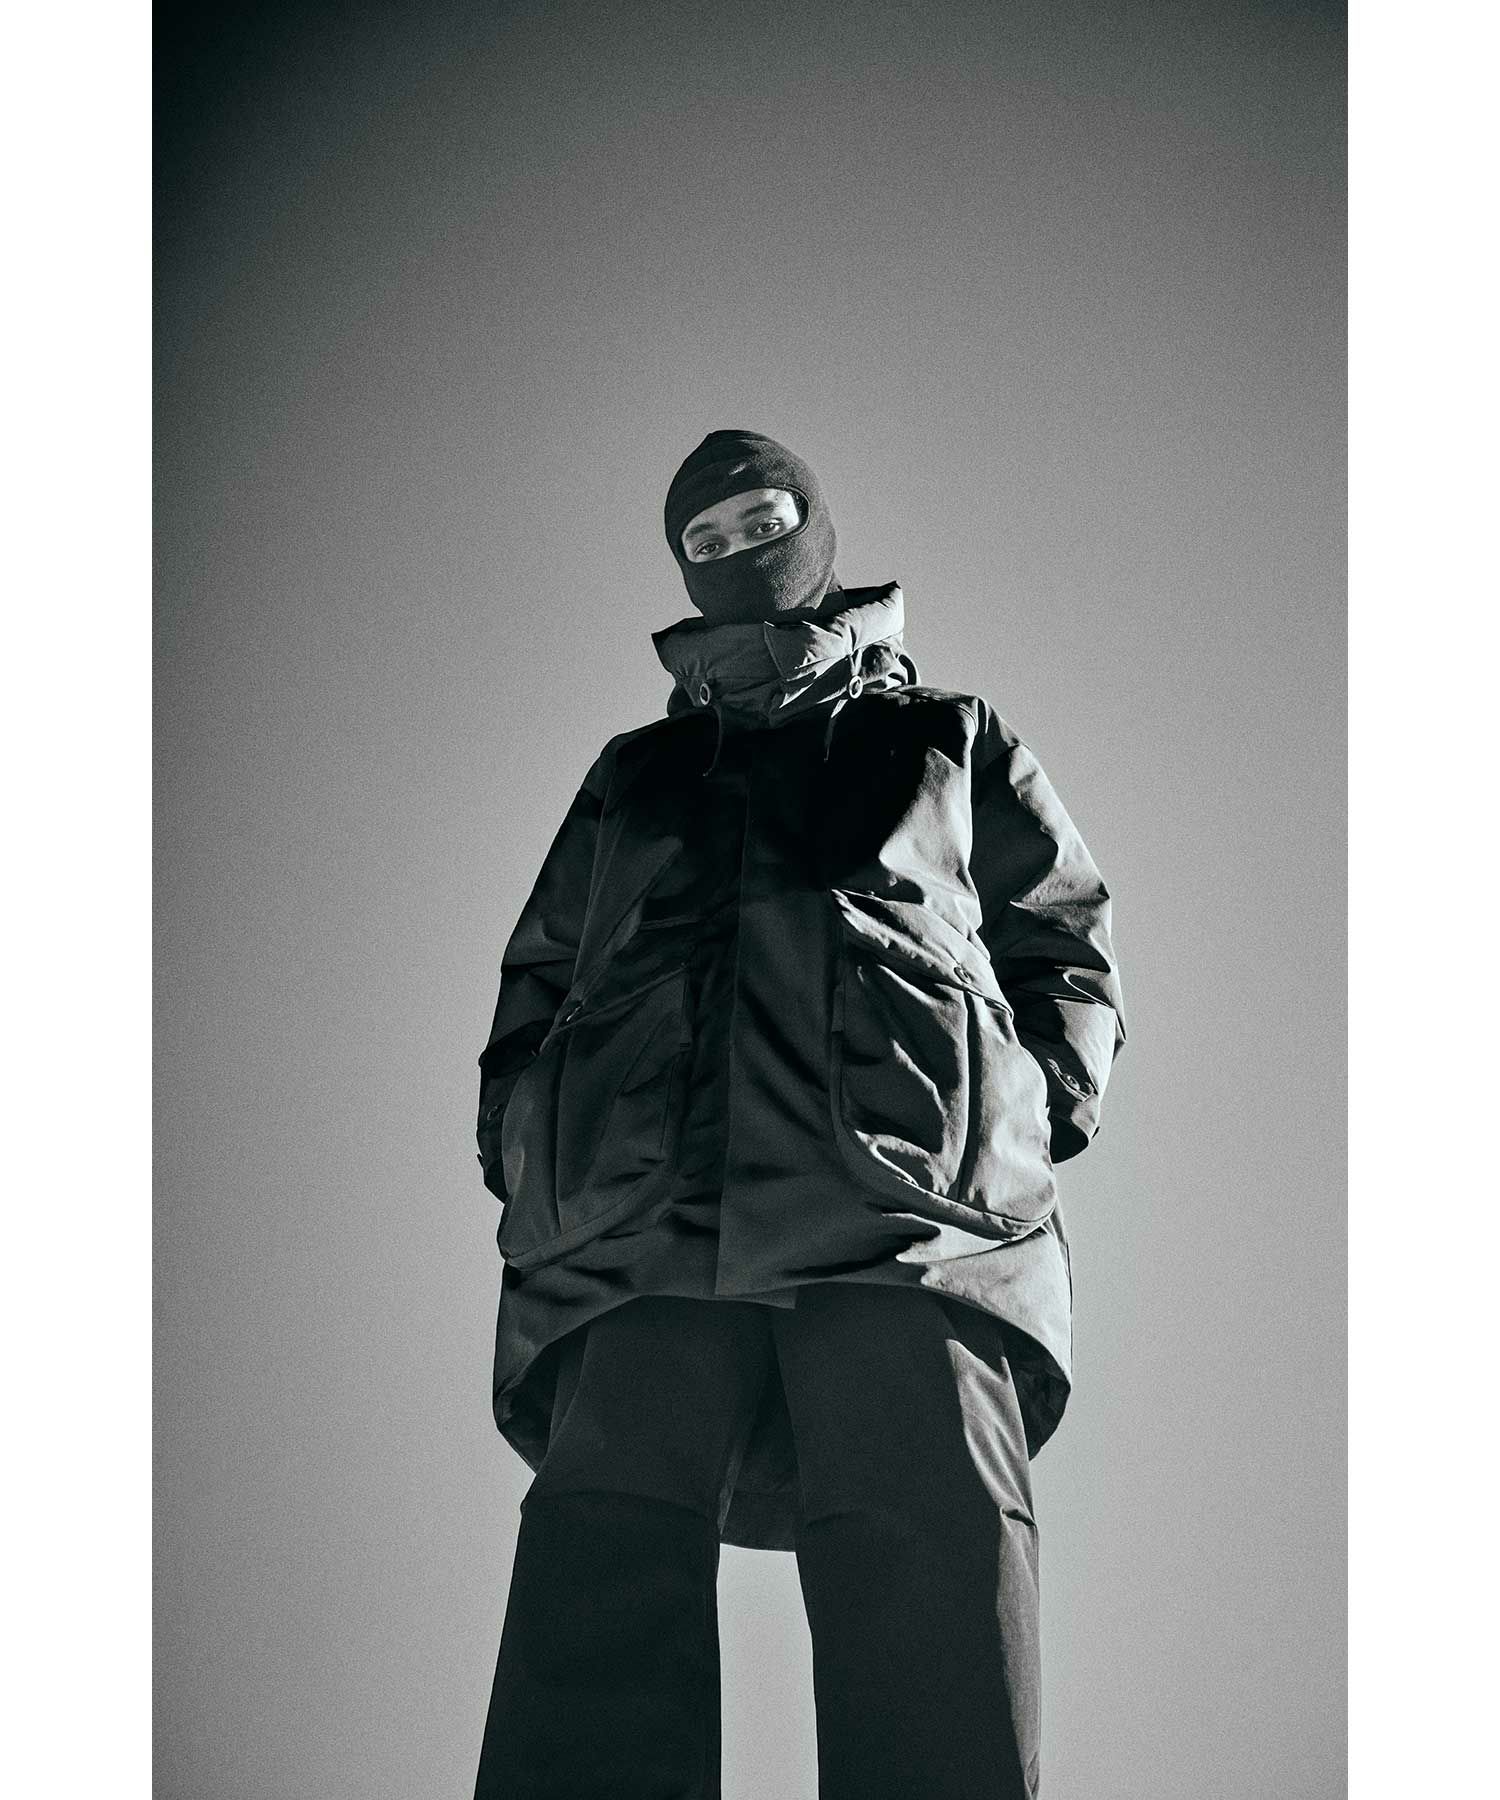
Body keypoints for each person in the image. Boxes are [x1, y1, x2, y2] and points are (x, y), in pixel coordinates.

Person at [471, 428, 1127, 1799]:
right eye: (704, 544)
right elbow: (543, 970)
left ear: (815, 530)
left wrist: (1023, 1108)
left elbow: (1061, 939)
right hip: (640, 1209)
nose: (736, 555)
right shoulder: (637, 773)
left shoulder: (944, 733)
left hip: (908, 1200)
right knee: (605, 1543)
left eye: (760, 523)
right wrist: (529, 1135)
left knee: (927, 1532)